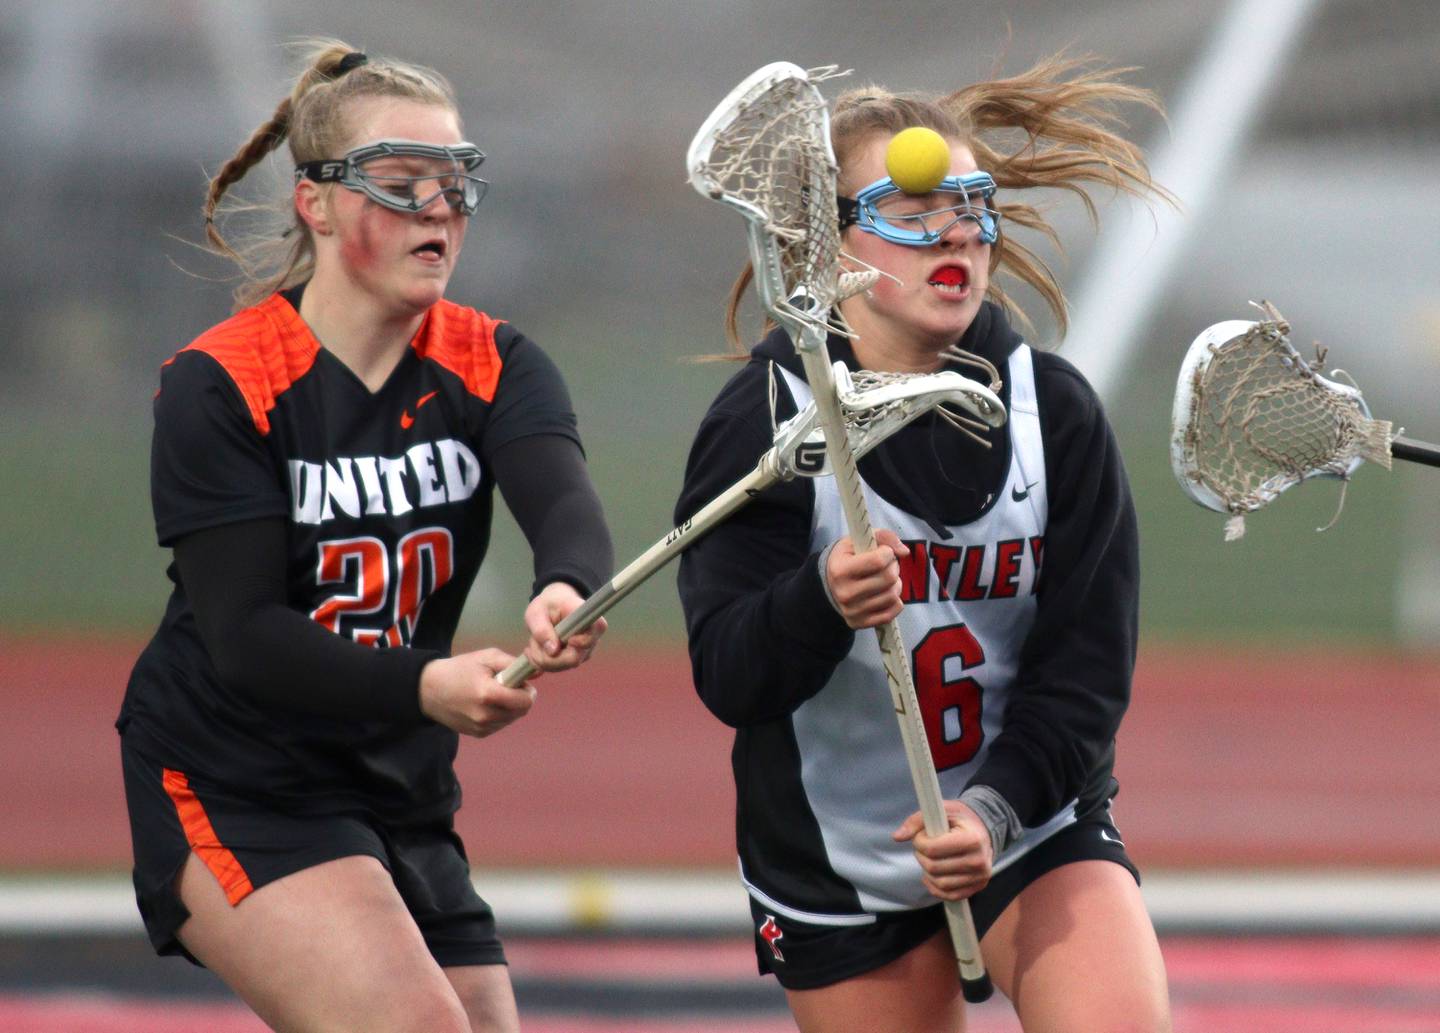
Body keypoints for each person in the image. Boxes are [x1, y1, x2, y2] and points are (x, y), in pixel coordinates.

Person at [116, 40, 613, 1033]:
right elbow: (246, 635)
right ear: (319, 201)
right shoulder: (224, 383)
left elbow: (564, 504)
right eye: (401, 185)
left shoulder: (495, 361)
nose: (439, 209)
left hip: (397, 781)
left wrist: (568, 586)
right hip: (232, 776)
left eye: (456, 181)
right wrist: (426, 685)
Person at [676, 55, 1173, 1032]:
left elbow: (1084, 675)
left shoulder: (1050, 411)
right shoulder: (766, 423)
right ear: (826, 245)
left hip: (1029, 823)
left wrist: (992, 812)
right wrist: (820, 600)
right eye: (912, 209)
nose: (956, 232)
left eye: (972, 205)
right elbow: (731, 676)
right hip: (837, 861)